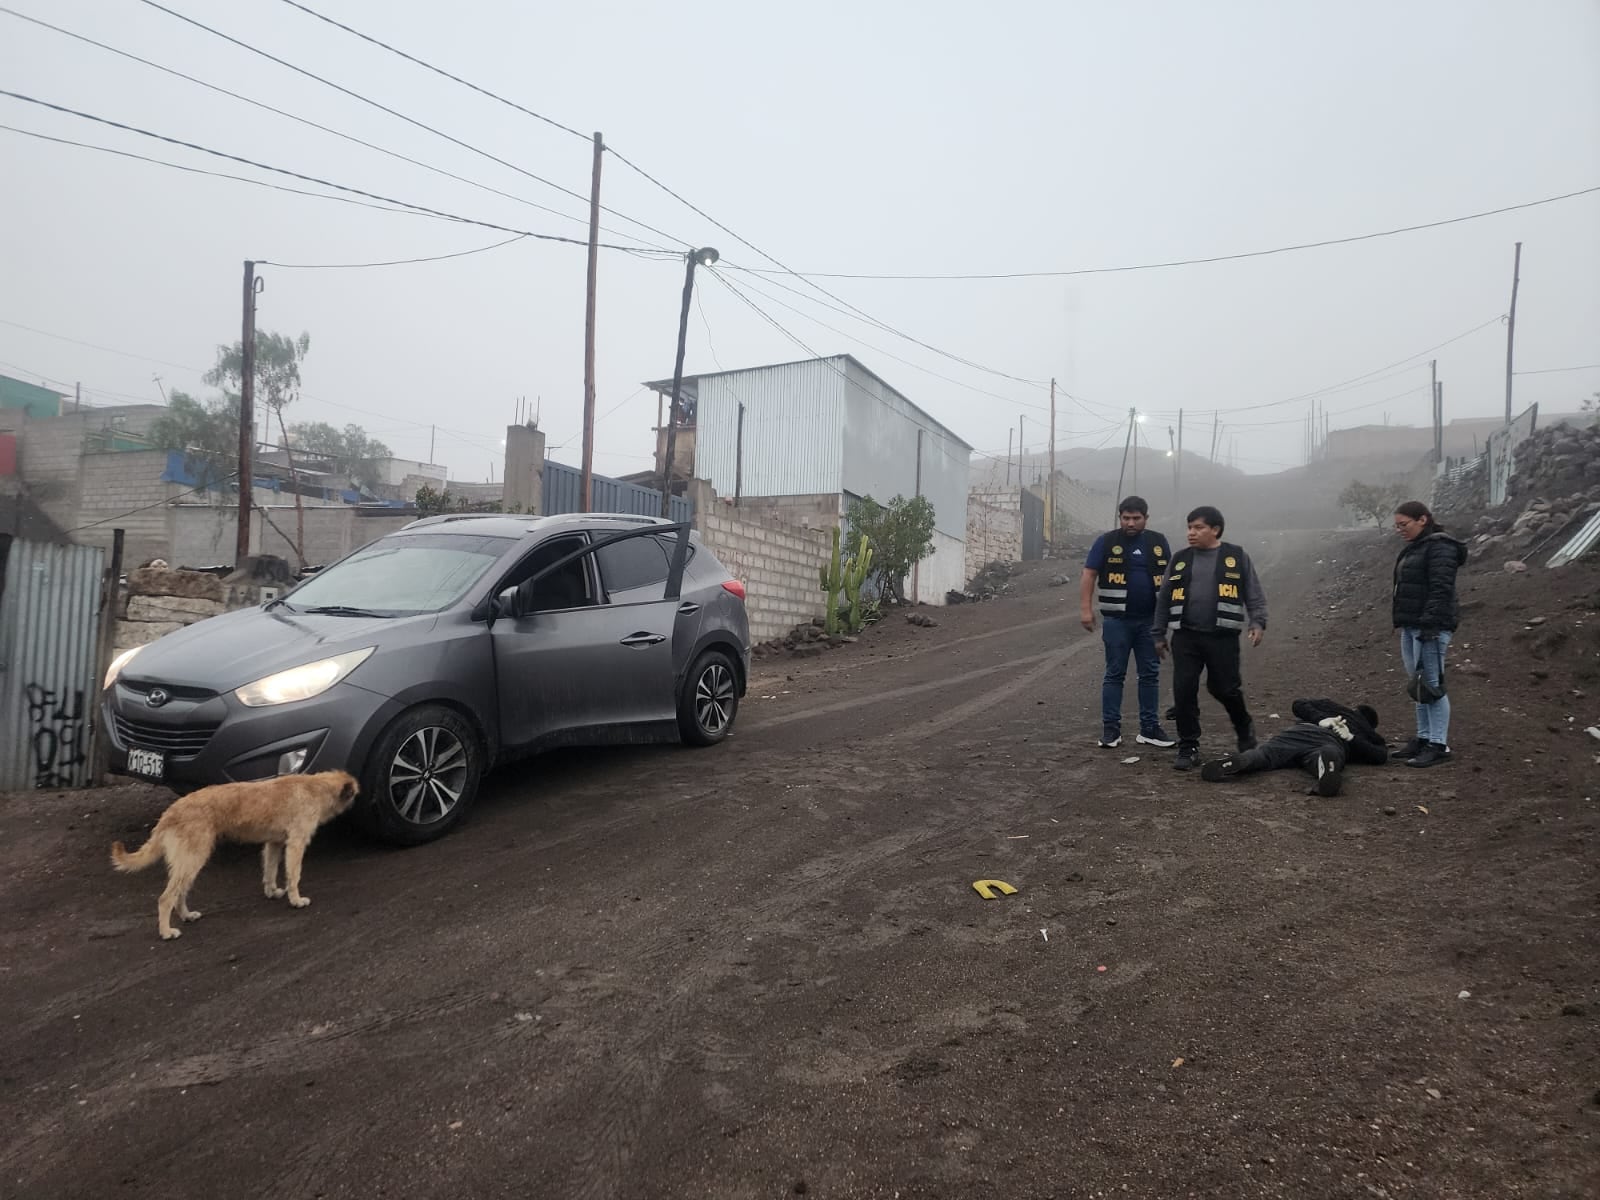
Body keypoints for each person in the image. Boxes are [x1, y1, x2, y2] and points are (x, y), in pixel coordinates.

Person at [1153, 506, 1267, 771]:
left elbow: (1253, 593)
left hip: (1222, 638)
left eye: (1198, 527)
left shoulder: (1235, 556)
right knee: (1183, 690)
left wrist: (1257, 622)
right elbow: (1164, 598)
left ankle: (1243, 728)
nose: (1191, 533)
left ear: (1215, 529)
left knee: (1225, 688)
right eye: (1189, 527)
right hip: (1186, 636)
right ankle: (1188, 745)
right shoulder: (1180, 559)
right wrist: (1158, 633)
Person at [1080, 496, 1176, 749]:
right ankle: (1111, 730)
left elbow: (1170, 580)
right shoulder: (1106, 542)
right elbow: (1089, 574)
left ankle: (1149, 729)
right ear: (1120, 517)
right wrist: (1085, 610)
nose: (1131, 523)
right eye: (1126, 518)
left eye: (1136, 518)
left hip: (1150, 622)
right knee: (1114, 674)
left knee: (1150, 675)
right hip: (1117, 621)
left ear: (1146, 518)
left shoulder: (1158, 542)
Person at [1392, 499, 1468, 767]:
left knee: (1432, 686)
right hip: (1413, 626)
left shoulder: (1440, 547)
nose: (1400, 530)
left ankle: (1438, 744)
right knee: (1419, 685)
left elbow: (1441, 588)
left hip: (1430, 629)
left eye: (1404, 524)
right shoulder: (1419, 547)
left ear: (1422, 519)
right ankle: (1423, 739)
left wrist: (1429, 625)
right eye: (1397, 526)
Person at [1199, 698, 1389, 796]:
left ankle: (1242, 760)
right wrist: (1351, 738)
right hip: (1331, 742)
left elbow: (1298, 704)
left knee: (1266, 754)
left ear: (1354, 708)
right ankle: (1327, 765)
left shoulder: (1332, 706)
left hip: (1302, 731)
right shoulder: (1368, 731)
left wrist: (1321, 719)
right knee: (1327, 756)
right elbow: (1380, 755)